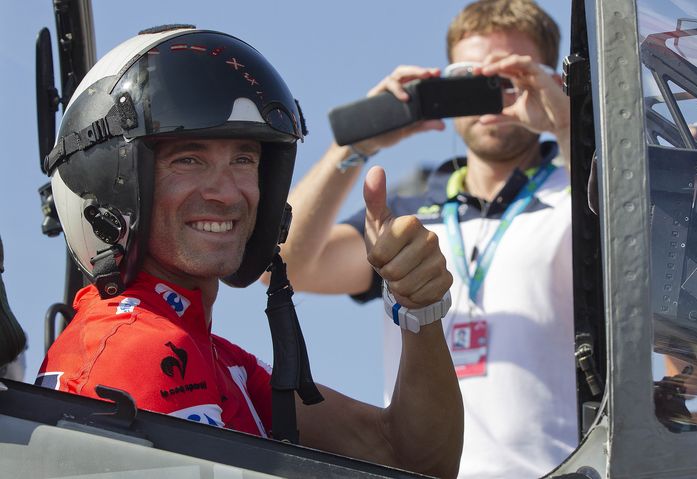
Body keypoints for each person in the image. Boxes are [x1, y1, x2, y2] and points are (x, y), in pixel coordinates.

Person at [35, 25, 462, 478]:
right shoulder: (141, 350)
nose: (226, 193)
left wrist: (421, 309)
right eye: (188, 159)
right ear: (112, 184)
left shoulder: (209, 355)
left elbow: (412, 459)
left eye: (244, 159)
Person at [273, 0, 577, 476]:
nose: (492, 99)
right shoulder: (408, 211)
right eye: (471, 81)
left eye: (511, 77)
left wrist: (566, 126)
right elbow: (290, 264)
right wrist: (357, 143)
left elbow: (636, 240)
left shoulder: (582, 188)